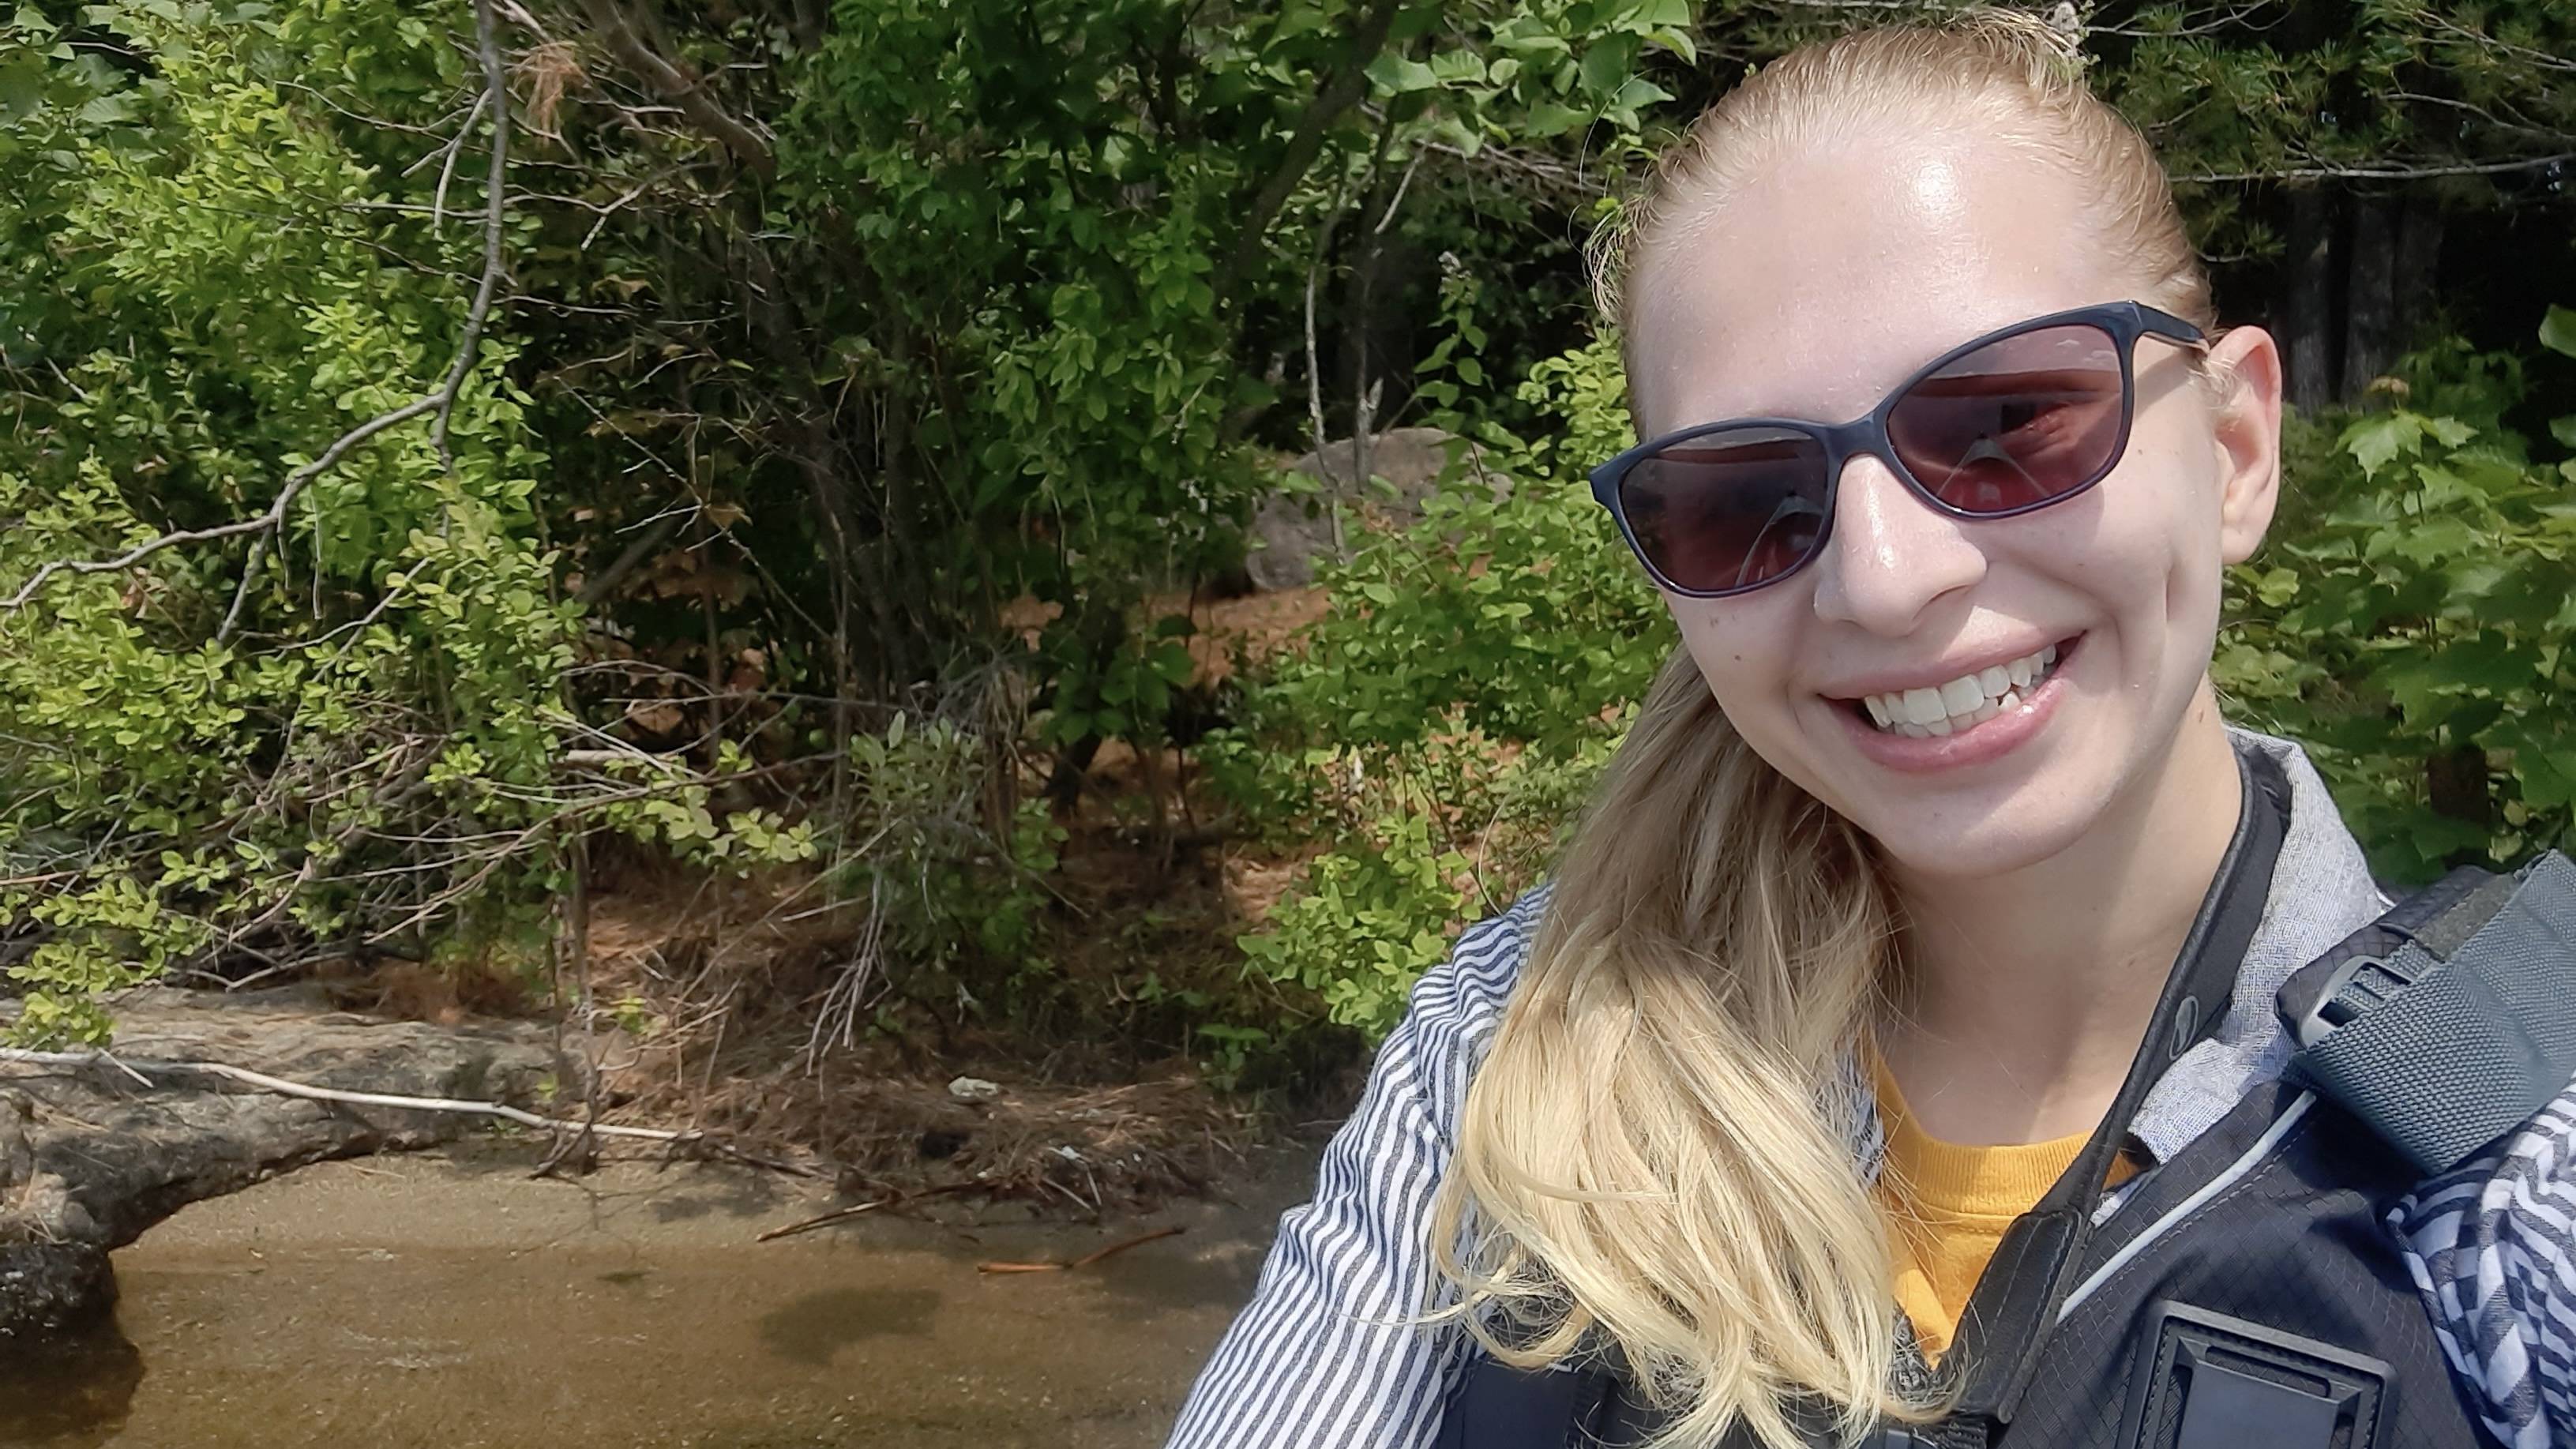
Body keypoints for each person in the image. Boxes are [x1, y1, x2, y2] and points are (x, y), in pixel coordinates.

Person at [1164, 12, 2576, 1449]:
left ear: (2232, 449)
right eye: (1738, 499)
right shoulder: (1513, 1048)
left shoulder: (2518, 1151)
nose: (1887, 580)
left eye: (2009, 421)